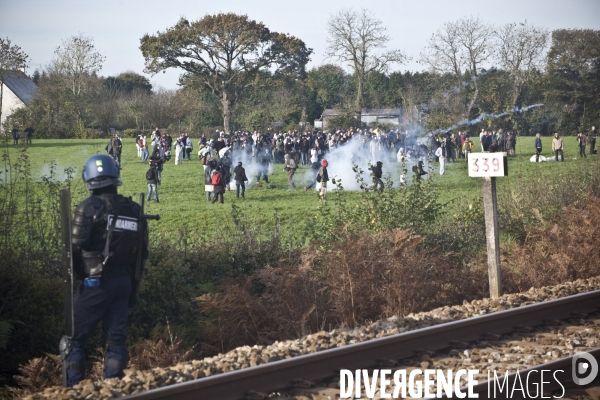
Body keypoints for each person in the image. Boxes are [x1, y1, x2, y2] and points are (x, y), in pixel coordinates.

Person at [60, 154, 148, 387]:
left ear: (88, 179)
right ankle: (113, 388)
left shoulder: (89, 207)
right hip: (124, 283)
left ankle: (75, 391)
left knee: (73, 339)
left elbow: (74, 249)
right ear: (115, 177)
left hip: (95, 283)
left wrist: (82, 277)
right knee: (115, 340)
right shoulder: (134, 209)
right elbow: (142, 252)